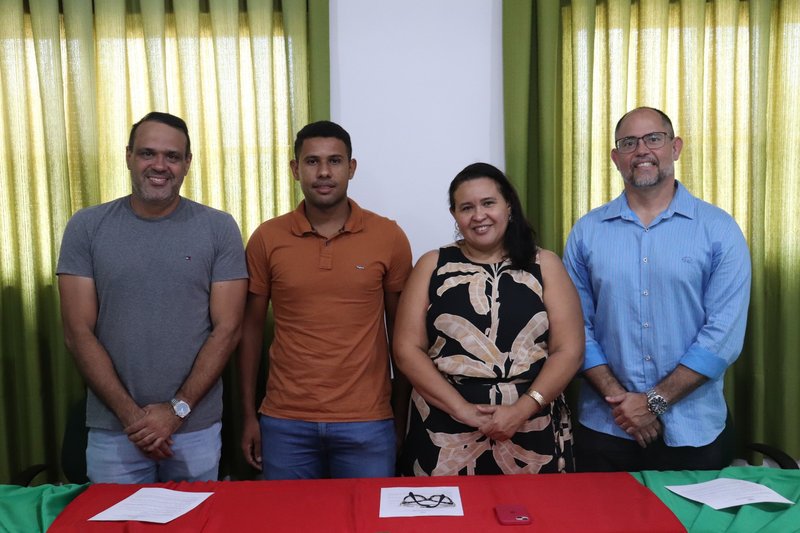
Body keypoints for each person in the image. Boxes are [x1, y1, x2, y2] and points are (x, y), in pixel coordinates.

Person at [57, 112, 248, 483]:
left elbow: (228, 330)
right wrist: (134, 418)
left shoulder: (219, 228)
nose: (160, 165)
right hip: (115, 430)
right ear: (129, 156)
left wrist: (175, 412)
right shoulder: (87, 227)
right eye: (148, 153)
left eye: (172, 156)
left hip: (194, 428)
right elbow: (77, 333)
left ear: (187, 163)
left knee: (196, 516)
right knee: (115, 517)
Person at [563, 107, 751, 472]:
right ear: (616, 157)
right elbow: (574, 328)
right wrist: (622, 402)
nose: (641, 151)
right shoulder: (586, 232)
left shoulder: (719, 230)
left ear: (675, 147)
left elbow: (723, 336)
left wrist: (653, 403)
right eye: (629, 143)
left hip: (694, 430)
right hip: (607, 427)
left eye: (654, 139)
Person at [239, 120, 413, 480]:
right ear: (295, 169)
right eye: (312, 161)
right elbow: (250, 330)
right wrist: (247, 416)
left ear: (351, 168)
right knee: (288, 514)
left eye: (334, 161)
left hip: (368, 422)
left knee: (366, 514)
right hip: (285, 421)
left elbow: (403, 336)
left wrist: (400, 416)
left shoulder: (389, 236)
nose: (323, 172)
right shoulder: (267, 238)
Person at [393, 162, 584, 476]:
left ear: (508, 206)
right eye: (466, 207)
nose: (478, 215)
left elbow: (569, 350)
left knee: (532, 508)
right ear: (455, 215)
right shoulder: (432, 265)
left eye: (488, 203)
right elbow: (406, 349)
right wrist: (463, 410)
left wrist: (522, 409)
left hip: (531, 425)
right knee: (445, 509)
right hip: (444, 429)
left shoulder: (545, 264)